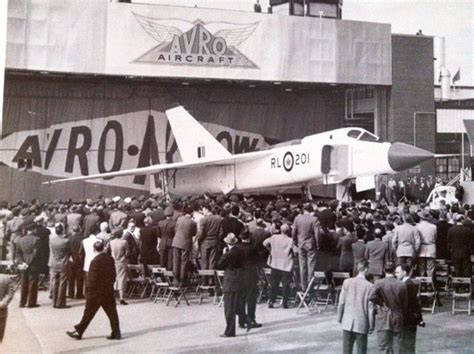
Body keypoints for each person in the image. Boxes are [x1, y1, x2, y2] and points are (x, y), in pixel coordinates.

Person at [67, 241, 121, 340]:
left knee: (88, 313)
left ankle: (79, 332)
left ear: (94, 249)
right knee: (112, 313)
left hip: (96, 292)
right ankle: (116, 332)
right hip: (107, 290)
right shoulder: (110, 259)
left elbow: (92, 279)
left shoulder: (95, 261)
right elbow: (113, 274)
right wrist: (110, 284)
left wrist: (88, 292)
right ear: (103, 248)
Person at [337, 260, 375, 354]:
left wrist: (340, 317)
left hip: (347, 321)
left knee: (346, 350)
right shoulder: (370, 286)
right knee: (361, 350)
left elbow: (341, 302)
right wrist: (371, 324)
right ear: (366, 269)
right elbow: (371, 308)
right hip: (362, 322)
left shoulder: (347, 282)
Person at [369, 262, 408, 354]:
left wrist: (381, 303)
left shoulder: (378, 283)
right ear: (394, 271)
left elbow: (370, 296)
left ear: (383, 270)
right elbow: (405, 304)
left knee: (383, 347)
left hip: (383, 317)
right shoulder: (401, 284)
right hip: (398, 317)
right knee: (397, 346)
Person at [217, 233, 243, 338]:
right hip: (239, 279)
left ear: (227, 243)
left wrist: (224, 254)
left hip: (230, 281)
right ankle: (244, 320)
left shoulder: (229, 254)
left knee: (229, 308)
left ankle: (230, 331)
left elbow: (219, 265)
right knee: (237, 306)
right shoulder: (240, 251)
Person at [263, 223, 294, 309]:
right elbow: (295, 251)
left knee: (274, 283)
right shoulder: (290, 240)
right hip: (286, 264)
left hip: (275, 262)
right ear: (288, 231)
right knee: (285, 284)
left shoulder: (274, 237)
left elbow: (264, 243)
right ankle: (284, 302)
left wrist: (270, 250)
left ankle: (271, 301)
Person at [395, 263, 424, 354]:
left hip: (408, 319)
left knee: (407, 344)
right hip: (409, 318)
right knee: (407, 344)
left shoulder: (407, 285)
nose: (396, 274)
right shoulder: (407, 284)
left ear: (404, 272)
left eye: (397, 272)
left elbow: (413, 304)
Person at [292, 204, 319, 290]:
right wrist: (318, 244)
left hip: (301, 243)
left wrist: (295, 241)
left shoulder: (297, 218)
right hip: (310, 244)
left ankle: (303, 286)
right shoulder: (314, 219)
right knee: (311, 265)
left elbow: (294, 231)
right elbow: (317, 234)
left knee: (302, 265)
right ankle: (310, 285)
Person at [15, 223, 40, 308]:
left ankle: (22, 302)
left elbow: (18, 253)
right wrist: (28, 263)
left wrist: (22, 262)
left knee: (24, 282)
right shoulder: (36, 239)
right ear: (32, 230)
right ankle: (31, 302)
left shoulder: (20, 240)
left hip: (23, 263)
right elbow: (36, 253)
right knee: (32, 283)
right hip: (33, 264)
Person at [172, 207, 196, 286]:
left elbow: (175, 229)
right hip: (185, 243)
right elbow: (194, 233)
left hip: (176, 241)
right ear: (191, 213)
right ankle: (182, 280)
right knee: (184, 262)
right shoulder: (192, 222)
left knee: (176, 261)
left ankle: (175, 279)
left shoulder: (179, 219)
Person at [50, 223, 71, 309]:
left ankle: (54, 302)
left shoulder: (52, 240)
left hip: (55, 262)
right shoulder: (66, 241)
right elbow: (69, 251)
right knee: (63, 283)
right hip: (63, 263)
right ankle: (61, 302)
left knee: (55, 282)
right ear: (62, 230)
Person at [110, 229, 130, 306]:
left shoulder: (111, 242)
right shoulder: (124, 242)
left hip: (113, 262)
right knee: (121, 279)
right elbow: (128, 252)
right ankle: (122, 298)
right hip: (122, 261)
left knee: (114, 278)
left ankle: (113, 298)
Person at [416, 211, 437, 277]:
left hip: (421, 247)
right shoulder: (433, 227)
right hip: (431, 247)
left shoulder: (417, 226)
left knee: (421, 268)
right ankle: (429, 284)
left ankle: (422, 283)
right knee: (430, 268)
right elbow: (435, 237)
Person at [157, 206, 176, 270]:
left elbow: (158, 234)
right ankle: (169, 275)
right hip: (171, 242)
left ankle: (162, 275)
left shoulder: (160, 223)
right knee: (170, 260)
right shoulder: (174, 223)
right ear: (172, 214)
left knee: (162, 260)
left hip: (162, 242)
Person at [0, 273, 15, 343]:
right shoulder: (7, 278)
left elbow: (11, 293)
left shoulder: (5, 279)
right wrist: (4, 303)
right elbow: (10, 293)